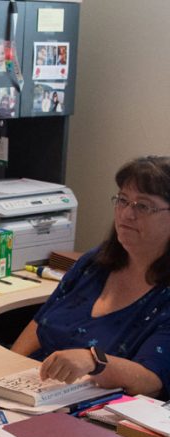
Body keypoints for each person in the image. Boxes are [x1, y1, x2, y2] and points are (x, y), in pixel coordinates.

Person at [12, 156, 170, 398]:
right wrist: (6, 371)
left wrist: (93, 360)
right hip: (31, 390)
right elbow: (40, 323)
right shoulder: (96, 261)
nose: (127, 214)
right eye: (123, 201)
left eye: (143, 206)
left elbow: (151, 380)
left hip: (96, 413)